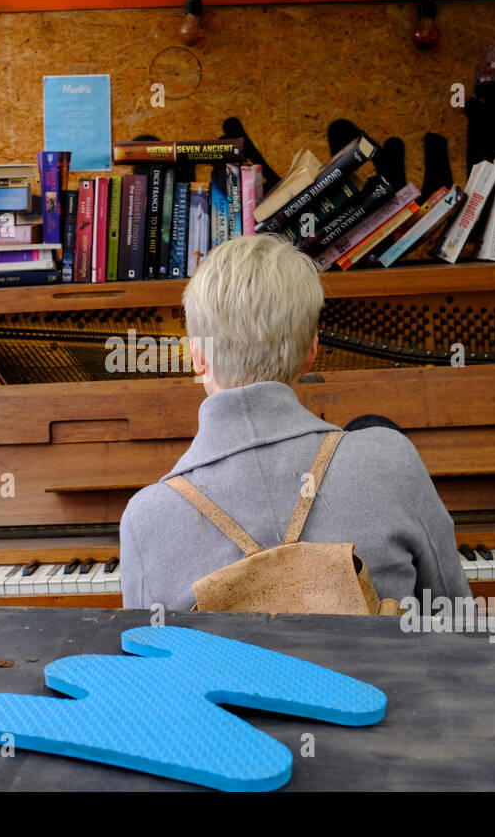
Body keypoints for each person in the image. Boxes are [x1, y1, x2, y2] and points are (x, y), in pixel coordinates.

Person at [119, 233, 469, 612]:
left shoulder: (146, 517)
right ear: (311, 353)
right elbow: (455, 620)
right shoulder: (392, 460)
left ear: (196, 356)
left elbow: (146, 657)